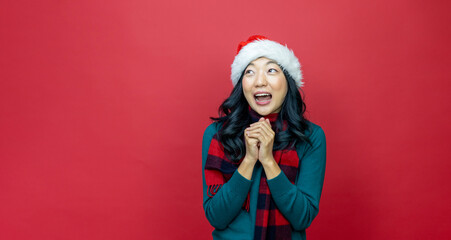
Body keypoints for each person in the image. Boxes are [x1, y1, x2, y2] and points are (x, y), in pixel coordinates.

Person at [202, 35, 326, 240]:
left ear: (288, 81)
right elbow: (216, 216)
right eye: (250, 72)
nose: (260, 81)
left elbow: (303, 217)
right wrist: (249, 159)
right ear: (242, 84)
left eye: (271, 70)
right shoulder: (217, 134)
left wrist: (268, 161)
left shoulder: (311, 137)